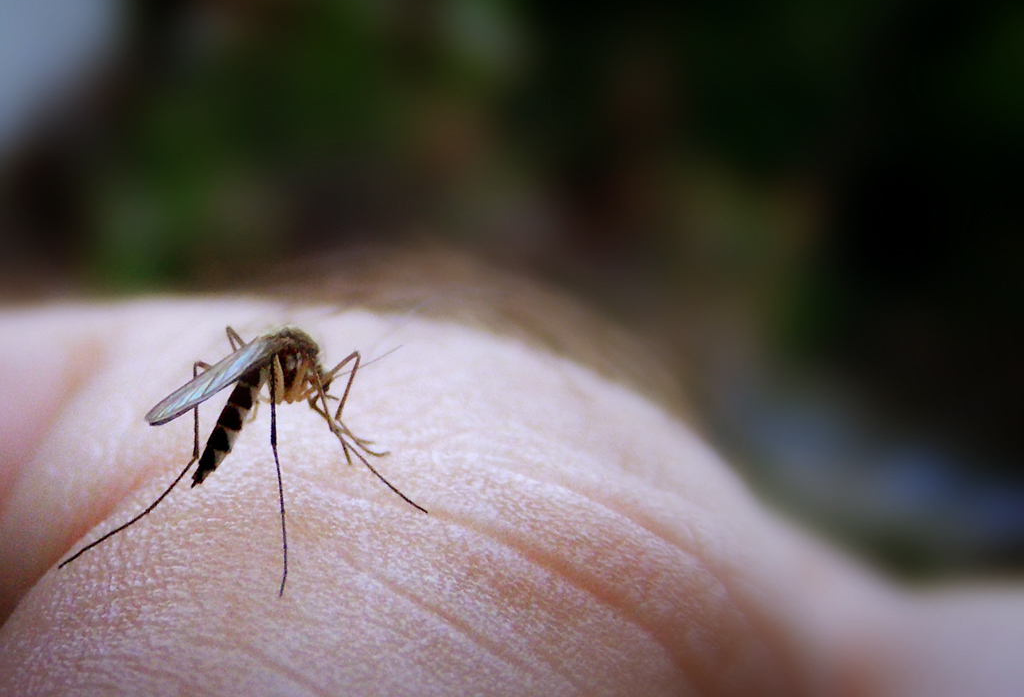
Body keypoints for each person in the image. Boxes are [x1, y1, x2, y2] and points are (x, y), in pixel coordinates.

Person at [0, 258, 1021, 695]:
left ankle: (199, 471)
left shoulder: (305, 361)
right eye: (312, 378)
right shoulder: (284, 362)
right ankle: (174, 493)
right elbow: (266, 378)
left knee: (255, 402)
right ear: (300, 362)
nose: (319, 386)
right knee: (251, 428)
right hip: (234, 395)